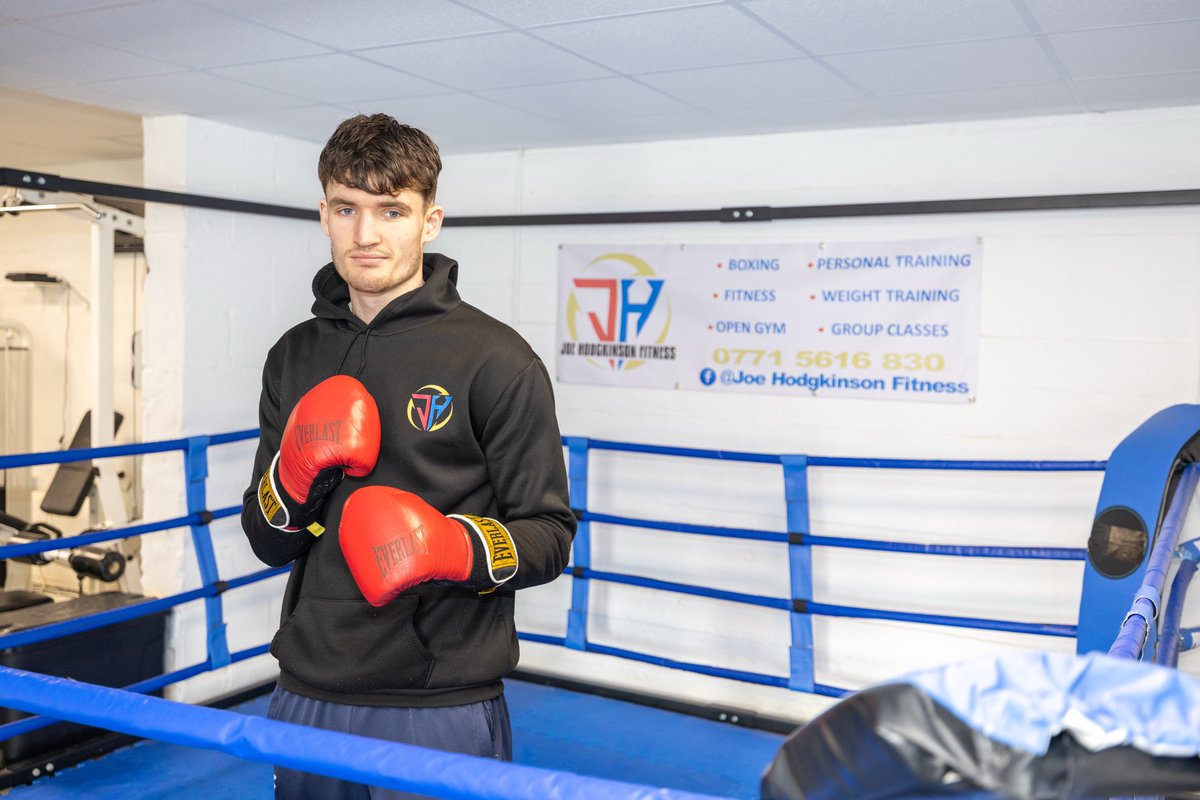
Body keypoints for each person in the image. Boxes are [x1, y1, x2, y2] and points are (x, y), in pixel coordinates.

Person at [240, 113, 576, 799]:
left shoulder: (495, 359)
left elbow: (548, 536)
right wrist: (295, 479)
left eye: (391, 210)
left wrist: (448, 548)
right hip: (308, 687)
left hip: (439, 703)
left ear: (430, 220)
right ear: (324, 213)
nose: (366, 235)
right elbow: (267, 538)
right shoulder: (293, 356)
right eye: (347, 208)